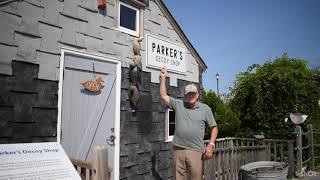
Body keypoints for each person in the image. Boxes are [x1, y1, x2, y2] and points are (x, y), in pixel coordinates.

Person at [159, 66, 218, 180]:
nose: (191, 96)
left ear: (197, 95)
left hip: (196, 151)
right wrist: (163, 77)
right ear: (185, 95)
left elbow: (214, 128)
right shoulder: (178, 104)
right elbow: (163, 96)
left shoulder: (205, 109)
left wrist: (211, 145)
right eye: (188, 94)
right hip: (178, 149)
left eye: (193, 93)